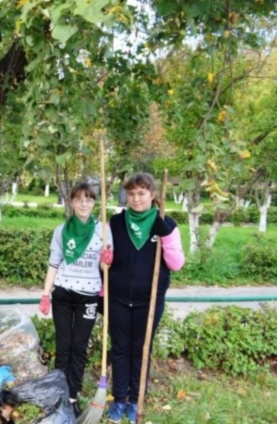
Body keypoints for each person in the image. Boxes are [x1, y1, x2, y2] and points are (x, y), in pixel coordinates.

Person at [105, 173, 185, 423]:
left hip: (149, 301)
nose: (136, 198)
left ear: (152, 195)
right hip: (118, 298)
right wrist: (103, 259)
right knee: (120, 349)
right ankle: (119, 399)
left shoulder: (166, 223)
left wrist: (166, 237)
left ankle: (135, 400)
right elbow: (106, 259)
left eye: (141, 193)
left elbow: (176, 263)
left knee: (141, 350)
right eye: (131, 194)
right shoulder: (116, 223)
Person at [38, 182, 113, 418]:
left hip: (88, 296)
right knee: (64, 346)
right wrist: (45, 294)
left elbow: (104, 267)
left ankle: (73, 395)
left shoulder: (103, 230)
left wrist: (107, 259)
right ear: (71, 202)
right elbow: (54, 263)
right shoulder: (61, 231)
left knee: (79, 347)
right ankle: (60, 396)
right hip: (63, 294)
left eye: (89, 199)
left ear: (94, 203)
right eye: (79, 199)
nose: (84, 203)